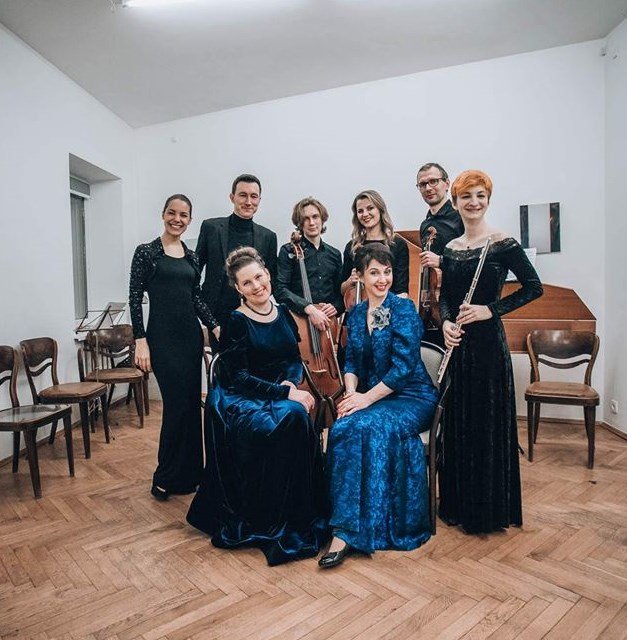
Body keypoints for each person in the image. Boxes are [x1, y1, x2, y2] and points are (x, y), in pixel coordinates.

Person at [186, 247, 329, 566]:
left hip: (277, 391)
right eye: (247, 283)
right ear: (238, 289)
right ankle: (272, 517)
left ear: (268, 275)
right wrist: (284, 393)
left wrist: (291, 382)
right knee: (292, 415)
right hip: (240, 399)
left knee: (296, 413)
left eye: (259, 277)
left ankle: (299, 511)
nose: (256, 286)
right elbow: (237, 378)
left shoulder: (283, 312)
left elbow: (293, 359)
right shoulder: (236, 320)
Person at [320, 243, 438, 568]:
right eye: (374, 272)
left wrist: (364, 400)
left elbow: (403, 370)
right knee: (343, 426)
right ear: (360, 276)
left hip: (412, 396)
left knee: (364, 424)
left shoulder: (403, 309)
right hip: (373, 395)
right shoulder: (357, 313)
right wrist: (350, 394)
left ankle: (350, 532)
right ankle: (343, 523)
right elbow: (351, 361)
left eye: (387, 272)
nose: (383, 279)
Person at [438, 170, 543, 534]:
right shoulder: (450, 248)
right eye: (466, 196)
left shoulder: (503, 244)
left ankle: (487, 512)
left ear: (488, 199)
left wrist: (489, 310)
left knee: (485, 425)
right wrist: (446, 322)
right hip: (459, 347)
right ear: (455, 203)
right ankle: (458, 506)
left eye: (480, 195)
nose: (474, 202)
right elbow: (446, 297)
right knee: (459, 423)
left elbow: (534, 288)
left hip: (487, 349)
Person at [129, 194, 218, 501]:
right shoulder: (146, 252)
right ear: (163, 214)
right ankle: (165, 476)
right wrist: (140, 341)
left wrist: (214, 325)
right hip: (162, 340)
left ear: (190, 220)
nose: (177, 219)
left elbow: (196, 298)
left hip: (190, 339)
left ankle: (191, 475)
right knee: (176, 406)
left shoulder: (192, 257)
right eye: (172, 213)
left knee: (191, 406)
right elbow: (134, 298)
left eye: (183, 215)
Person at [195, 174, 278, 334]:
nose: (248, 201)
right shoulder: (210, 228)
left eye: (253, 196)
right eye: (243, 195)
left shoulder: (268, 237)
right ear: (232, 197)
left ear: (259, 200)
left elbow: (271, 279)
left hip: (254, 315)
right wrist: (205, 314)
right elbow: (195, 272)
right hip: (216, 316)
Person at [275, 197, 343, 331]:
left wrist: (336, 306)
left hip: (328, 324)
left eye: (315, 217)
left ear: (322, 219)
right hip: (298, 322)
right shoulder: (288, 251)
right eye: (306, 219)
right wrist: (308, 308)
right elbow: (280, 289)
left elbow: (340, 292)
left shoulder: (334, 254)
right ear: (300, 223)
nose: (311, 223)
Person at [416, 163, 465, 346]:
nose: (428, 188)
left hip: (456, 302)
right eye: (423, 184)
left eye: (433, 181)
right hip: (432, 304)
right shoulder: (425, 225)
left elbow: (473, 261)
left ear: (447, 183)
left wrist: (441, 261)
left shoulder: (460, 218)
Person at [340, 190, 409, 306]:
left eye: (370, 208)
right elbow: (342, 290)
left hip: (389, 309)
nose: (365, 214)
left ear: (380, 210)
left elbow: (402, 291)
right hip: (358, 308)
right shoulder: (352, 247)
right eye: (360, 211)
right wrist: (350, 281)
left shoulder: (397, 244)